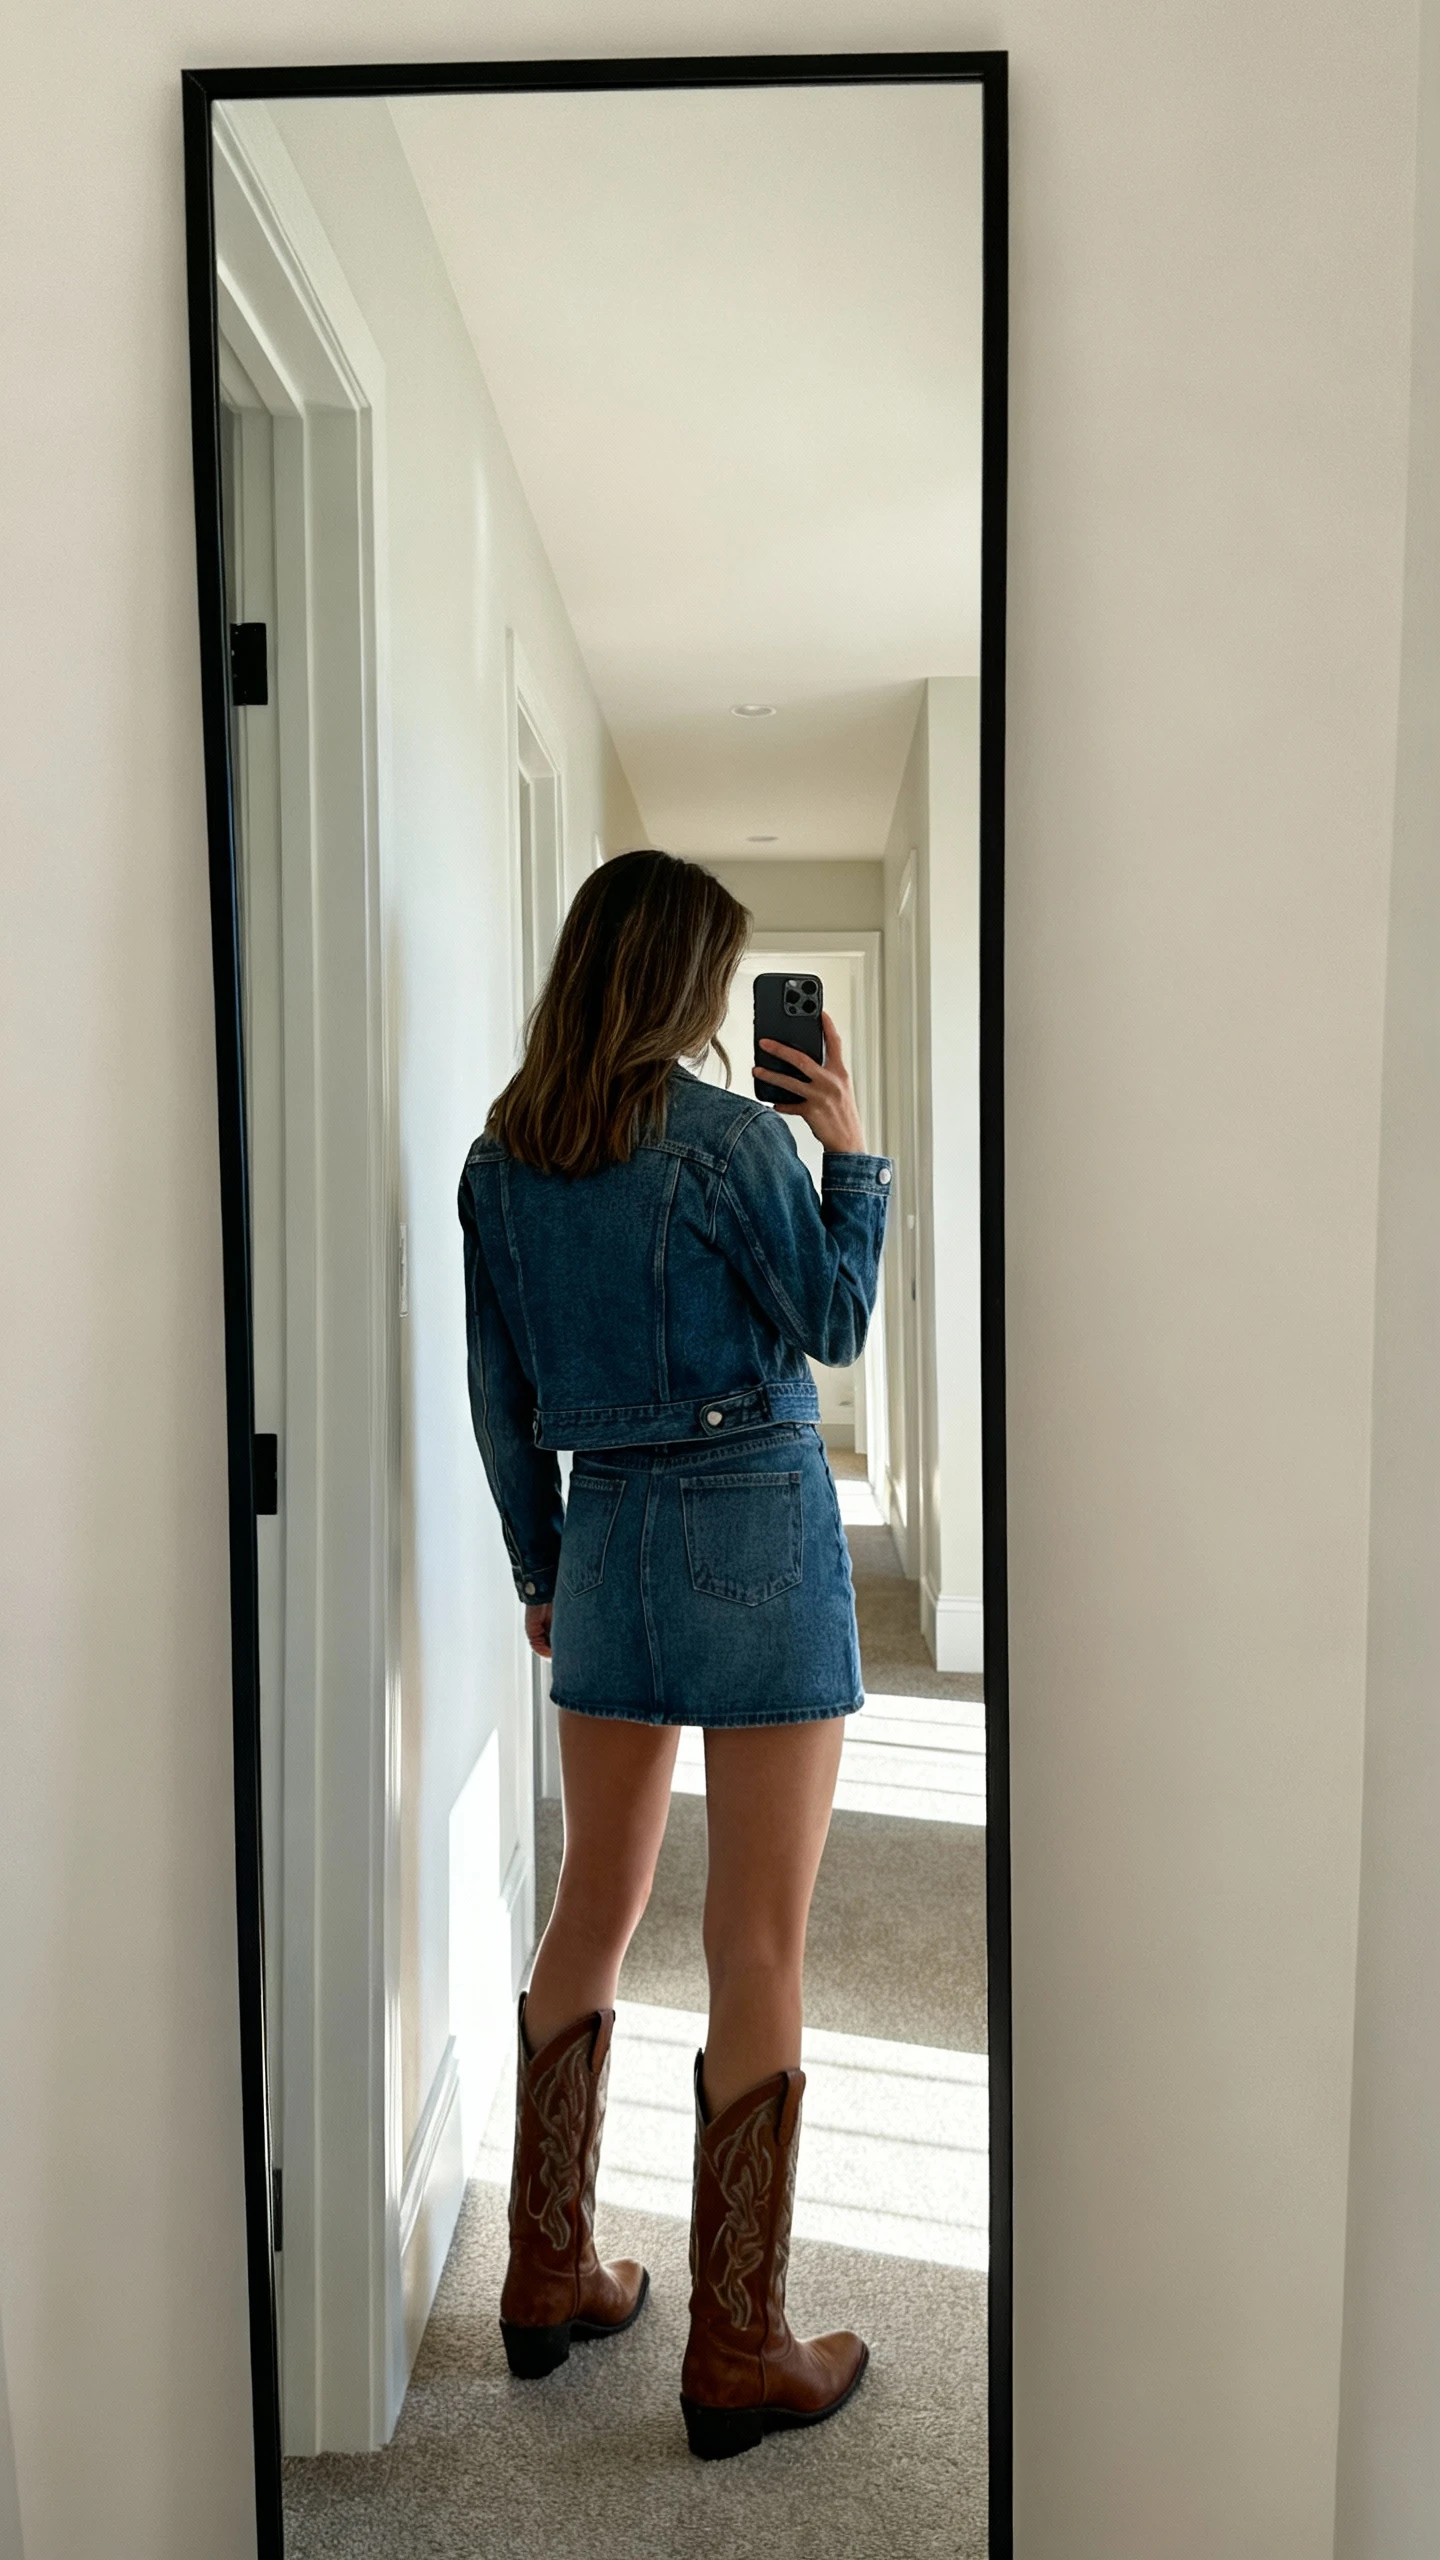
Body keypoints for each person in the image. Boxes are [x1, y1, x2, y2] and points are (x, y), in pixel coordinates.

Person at [457, 848, 892, 2461]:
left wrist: (542, 1570)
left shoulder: (502, 1163)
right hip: (759, 1532)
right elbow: (833, 1323)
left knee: (593, 1901)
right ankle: (737, 2349)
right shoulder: (731, 1141)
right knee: (756, 1938)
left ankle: (546, 2274)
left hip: (612, 1545)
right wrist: (851, 1156)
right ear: (687, 986)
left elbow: (502, 1407)